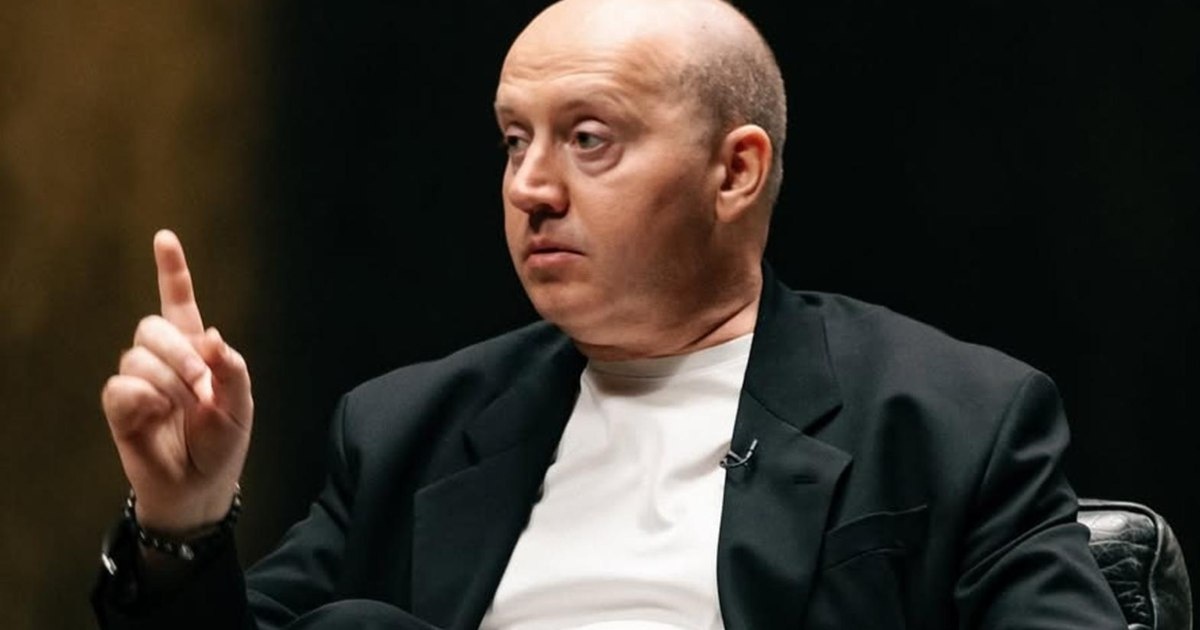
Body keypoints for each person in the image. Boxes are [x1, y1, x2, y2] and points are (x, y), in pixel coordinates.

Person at [93, 0, 1127, 628]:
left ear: (735, 171)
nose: (530, 186)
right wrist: (183, 522)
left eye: (589, 139)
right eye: (514, 141)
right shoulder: (408, 428)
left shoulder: (948, 415)